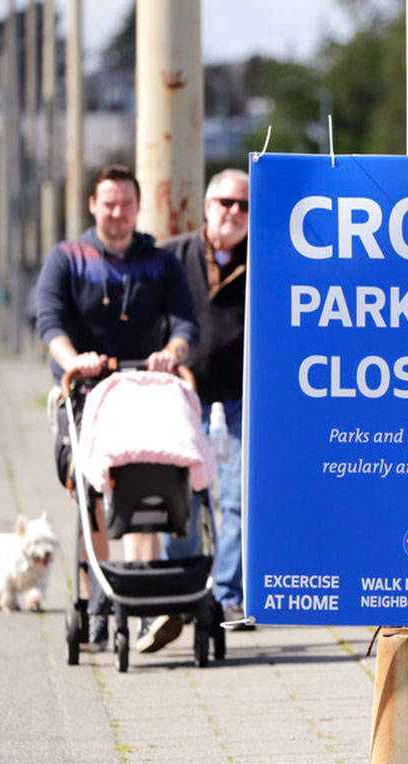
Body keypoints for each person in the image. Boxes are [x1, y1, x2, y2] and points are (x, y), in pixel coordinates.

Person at [35, 163, 198, 653]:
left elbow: (185, 324)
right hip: (86, 393)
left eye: (126, 203)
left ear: (137, 207)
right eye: (108, 203)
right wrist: (75, 361)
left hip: (145, 391)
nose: (117, 213)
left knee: (146, 484)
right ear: (93, 205)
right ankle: (99, 602)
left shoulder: (160, 262)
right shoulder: (66, 258)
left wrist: (173, 353)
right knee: (92, 498)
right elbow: (49, 324)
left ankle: (143, 596)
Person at [159, 169, 252, 640]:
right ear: (207, 205)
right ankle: (181, 587)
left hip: (240, 396)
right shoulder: (174, 255)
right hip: (184, 394)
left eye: (243, 205)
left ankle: (228, 594)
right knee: (180, 491)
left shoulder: (264, 259)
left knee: (236, 496)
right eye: (225, 203)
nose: (233, 212)